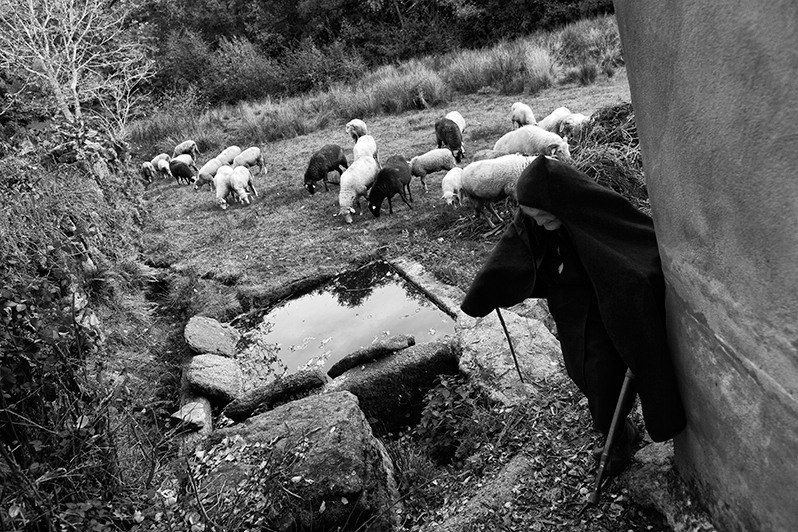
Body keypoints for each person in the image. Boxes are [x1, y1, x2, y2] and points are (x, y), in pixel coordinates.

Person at [460, 155, 686, 475]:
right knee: (580, 372)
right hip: (569, 311)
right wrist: (482, 295)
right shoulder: (538, 215)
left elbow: (633, 248)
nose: (539, 223)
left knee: (603, 378)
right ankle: (619, 430)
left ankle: (617, 441)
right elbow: (512, 248)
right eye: (533, 217)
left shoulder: (591, 210)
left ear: (559, 204)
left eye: (542, 216)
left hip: (604, 308)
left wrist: (633, 292)